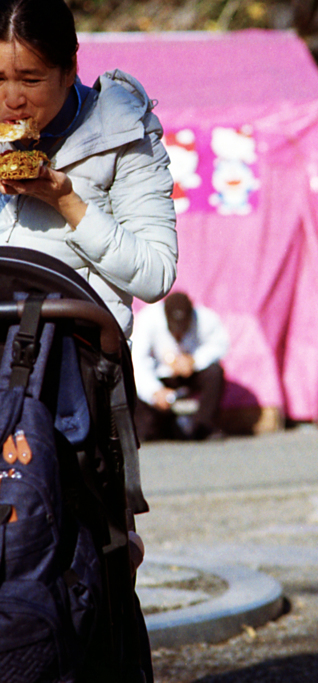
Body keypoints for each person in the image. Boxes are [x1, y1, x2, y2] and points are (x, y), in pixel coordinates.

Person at [0, 0, 177, 337]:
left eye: (30, 80)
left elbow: (156, 276)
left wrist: (68, 204)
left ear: (69, 69)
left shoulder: (124, 134)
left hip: (71, 357)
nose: (12, 99)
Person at [132, 292, 229, 442]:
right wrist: (153, 391)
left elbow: (220, 344)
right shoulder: (147, 320)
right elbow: (138, 361)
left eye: (183, 327)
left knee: (215, 373)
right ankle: (163, 425)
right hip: (160, 377)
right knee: (145, 432)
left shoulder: (206, 319)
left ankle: (204, 424)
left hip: (191, 374)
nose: (178, 333)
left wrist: (195, 360)